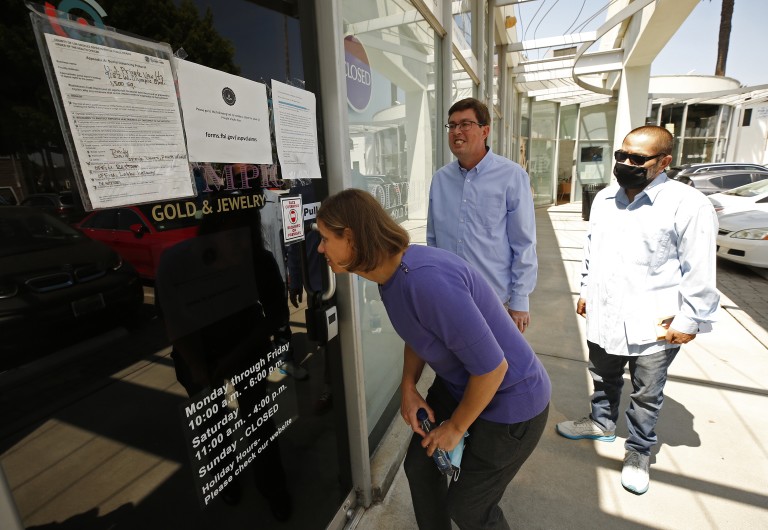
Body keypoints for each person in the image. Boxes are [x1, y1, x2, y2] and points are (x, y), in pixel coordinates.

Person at [316, 189, 551, 530]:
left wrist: (456, 428)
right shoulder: (388, 277)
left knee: (470, 508)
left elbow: (493, 368)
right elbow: (419, 332)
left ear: (350, 237)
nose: (321, 248)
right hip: (463, 386)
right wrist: (408, 386)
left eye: (325, 239)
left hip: (512, 402)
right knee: (421, 467)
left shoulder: (425, 281)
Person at [555, 125, 719, 495]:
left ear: (664, 162)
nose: (626, 163)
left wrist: (690, 319)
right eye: (621, 155)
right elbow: (592, 249)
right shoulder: (605, 199)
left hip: (654, 321)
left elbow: (700, 268)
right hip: (605, 310)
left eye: (637, 159)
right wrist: (585, 289)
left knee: (647, 393)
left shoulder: (688, 204)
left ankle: (639, 451)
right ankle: (602, 423)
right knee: (602, 374)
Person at [427, 97, 537, 334]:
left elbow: (523, 243)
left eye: (465, 124)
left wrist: (520, 302)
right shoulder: (440, 180)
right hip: (450, 300)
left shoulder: (512, 176)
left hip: (496, 303)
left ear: (485, 130)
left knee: (498, 369)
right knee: (454, 369)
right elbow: (433, 240)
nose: (457, 131)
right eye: (452, 125)